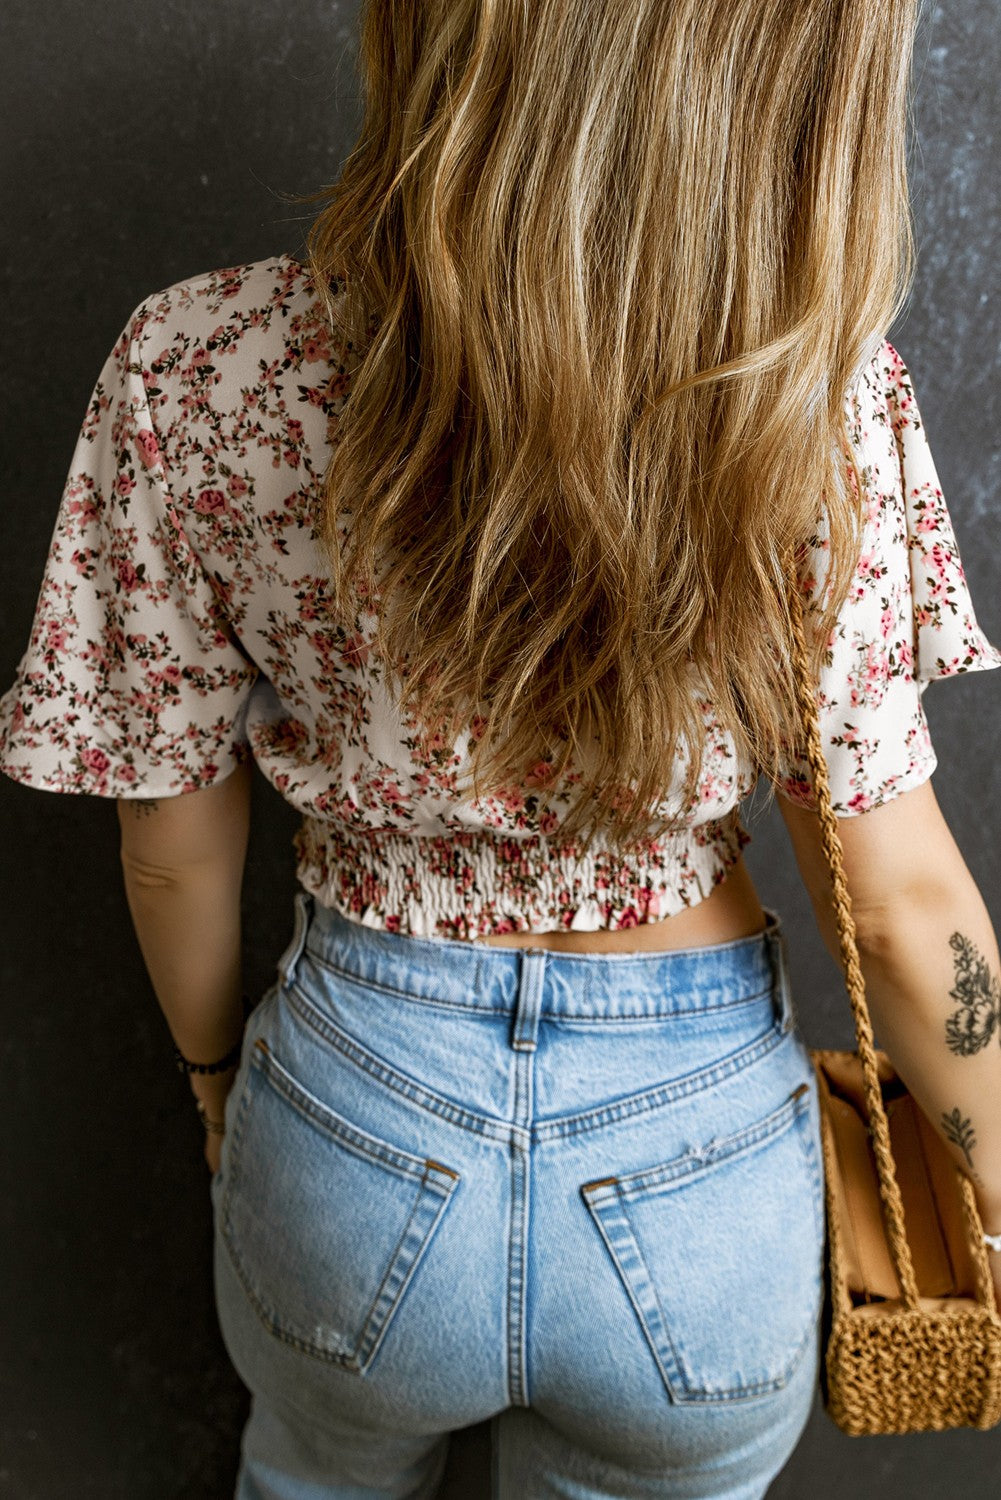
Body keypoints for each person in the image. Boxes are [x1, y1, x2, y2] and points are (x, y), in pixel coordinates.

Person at [2, 1, 1001, 1495]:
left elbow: (170, 850)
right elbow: (897, 901)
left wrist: (218, 1084)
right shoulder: (815, 397)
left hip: (350, 1106)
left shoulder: (195, 362)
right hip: (697, 1162)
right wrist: (996, 1202)